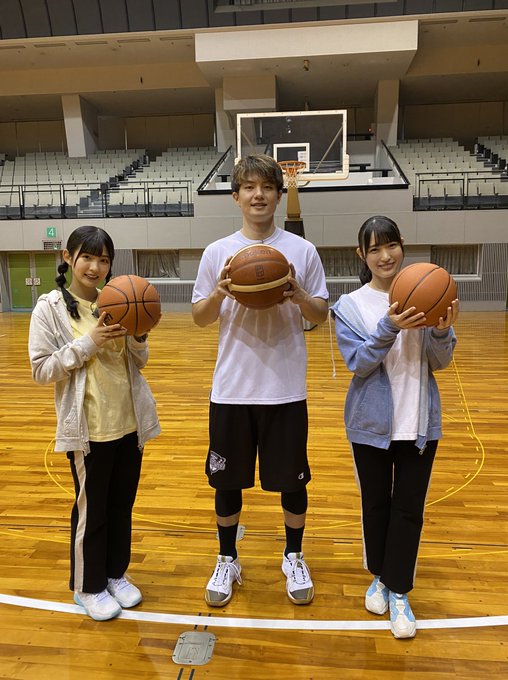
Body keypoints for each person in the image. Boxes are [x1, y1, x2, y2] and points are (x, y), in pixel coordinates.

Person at [191, 154, 329, 607]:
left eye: (267, 187)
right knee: (227, 483)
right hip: (232, 388)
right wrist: (219, 292)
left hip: (284, 387)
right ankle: (227, 558)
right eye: (249, 187)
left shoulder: (302, 251)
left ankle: (293, 555)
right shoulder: (217, 252)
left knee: (293, 482)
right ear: (235, 197)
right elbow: (199, 317)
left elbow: (320, 314)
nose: (258, 195)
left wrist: (299, 295)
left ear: (278, 194)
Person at [331, 215, 459, 639]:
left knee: (409, 509)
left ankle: (399, 589)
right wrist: (390, 326)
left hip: (419, 422)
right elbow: (359, 363)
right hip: (370, 424)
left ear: (402, 245)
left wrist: (441, 332)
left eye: (391, 246)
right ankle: (380, 576)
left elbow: (440, 361)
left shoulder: (427, 289)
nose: (384, 256)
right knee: (375, 506)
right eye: (374, 249)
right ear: (361, 255)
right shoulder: (350, 306)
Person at [28, 225, 160, 622]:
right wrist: (91, 341)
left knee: (121, 506)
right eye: (87, 257)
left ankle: (115, 574)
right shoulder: (49, 308)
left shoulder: (116, 299)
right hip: (89, 429)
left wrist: (139, 336)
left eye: (103, 259)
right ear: (68, 257)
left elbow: (138, 362)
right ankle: (87, 586)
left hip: (129, 422)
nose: (94, 266)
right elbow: (41, 370)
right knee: (93, 511)